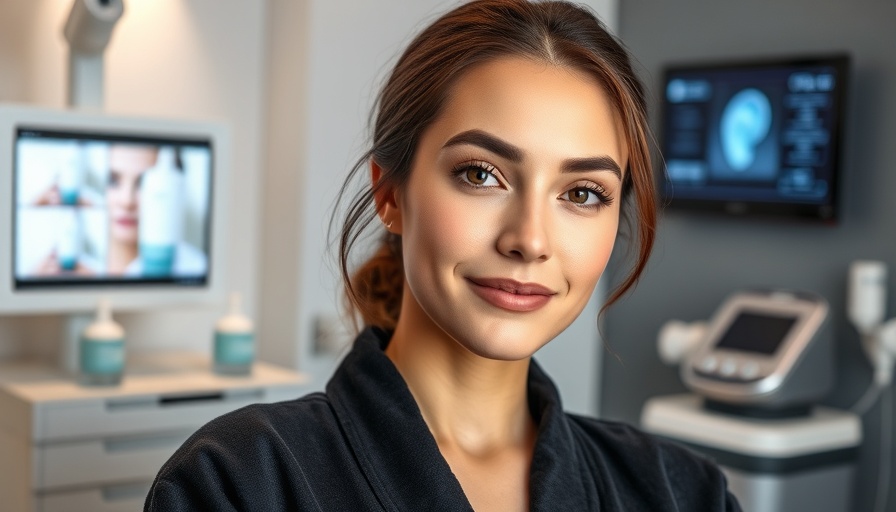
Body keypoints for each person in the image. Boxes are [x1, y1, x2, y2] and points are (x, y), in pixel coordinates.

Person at [145, 1, 742, 510]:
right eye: (481, 175)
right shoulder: (241, 484)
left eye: (582, 194)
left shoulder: (681, 492)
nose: (529, 240)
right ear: (390, 194)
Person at [32, 143, 207, 277]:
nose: (127, 201)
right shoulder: (74, 269)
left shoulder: (195, 268)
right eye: (114, 181)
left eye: (144, 183)